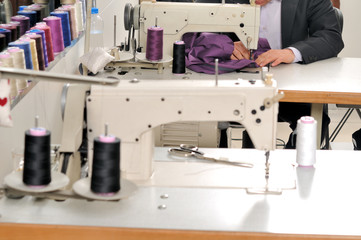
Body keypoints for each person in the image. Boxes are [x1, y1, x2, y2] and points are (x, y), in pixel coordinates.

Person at [230, 0, 344, 148]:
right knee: (204, 121)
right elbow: (195, 32)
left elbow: (331, 37)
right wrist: (223, 45)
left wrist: (292, 53)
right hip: (232, 86)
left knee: (312, 124)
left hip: (288, 87)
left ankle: (289, 167)